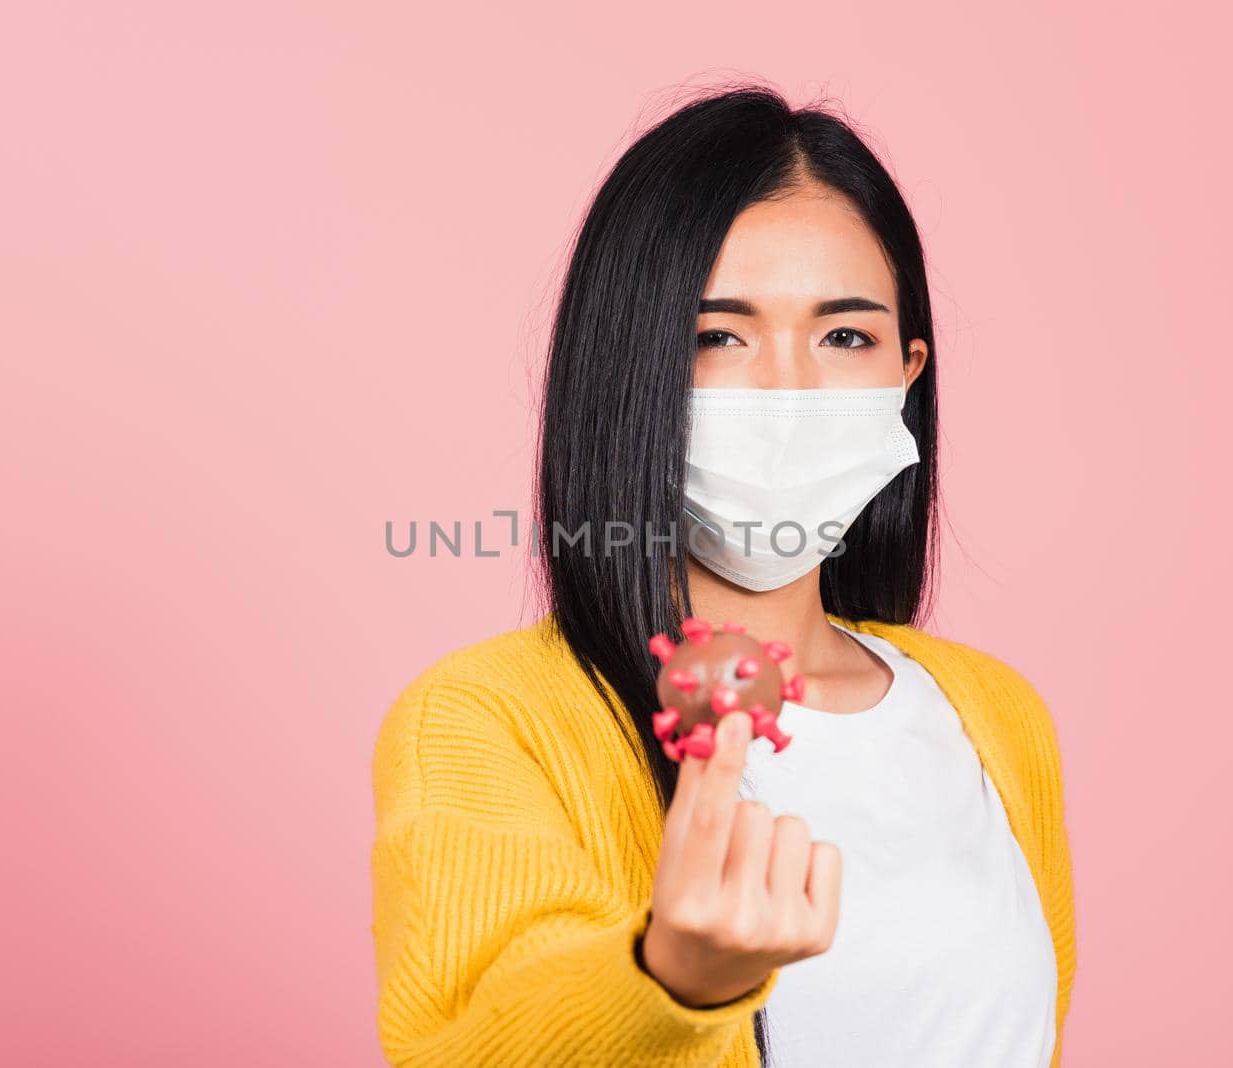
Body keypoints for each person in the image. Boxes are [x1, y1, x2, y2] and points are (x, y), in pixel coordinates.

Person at [370, 84, 1076, 1067]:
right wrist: (673, 980)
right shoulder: (486, 720)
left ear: (907, 373)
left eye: (844, 336)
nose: (787, 388)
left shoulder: (997, 718)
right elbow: (467, 1044)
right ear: (628, 370)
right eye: (717, 336)